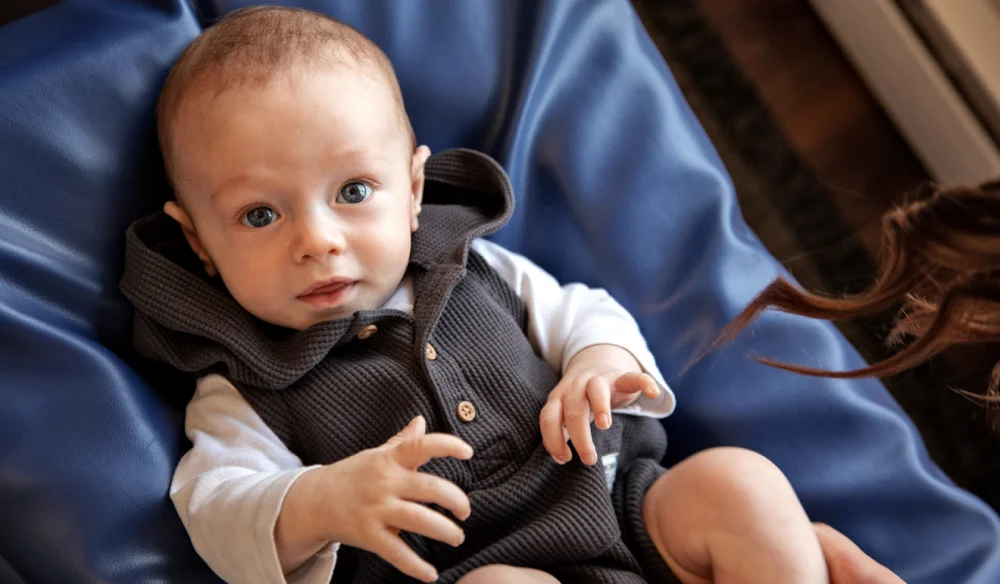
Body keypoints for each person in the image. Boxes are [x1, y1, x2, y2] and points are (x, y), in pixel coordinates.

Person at [119, 6, 901, 584]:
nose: (318, 239)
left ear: (415, 189)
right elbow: (216, 507)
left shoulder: (476, 269)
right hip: (477, 569)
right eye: (261, 214)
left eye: (354, 190)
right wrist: (322, 501)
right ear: (198, 244)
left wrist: (597, 364)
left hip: (626, 510)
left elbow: (585, 312)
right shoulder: (240, 385)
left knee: (738, 481)